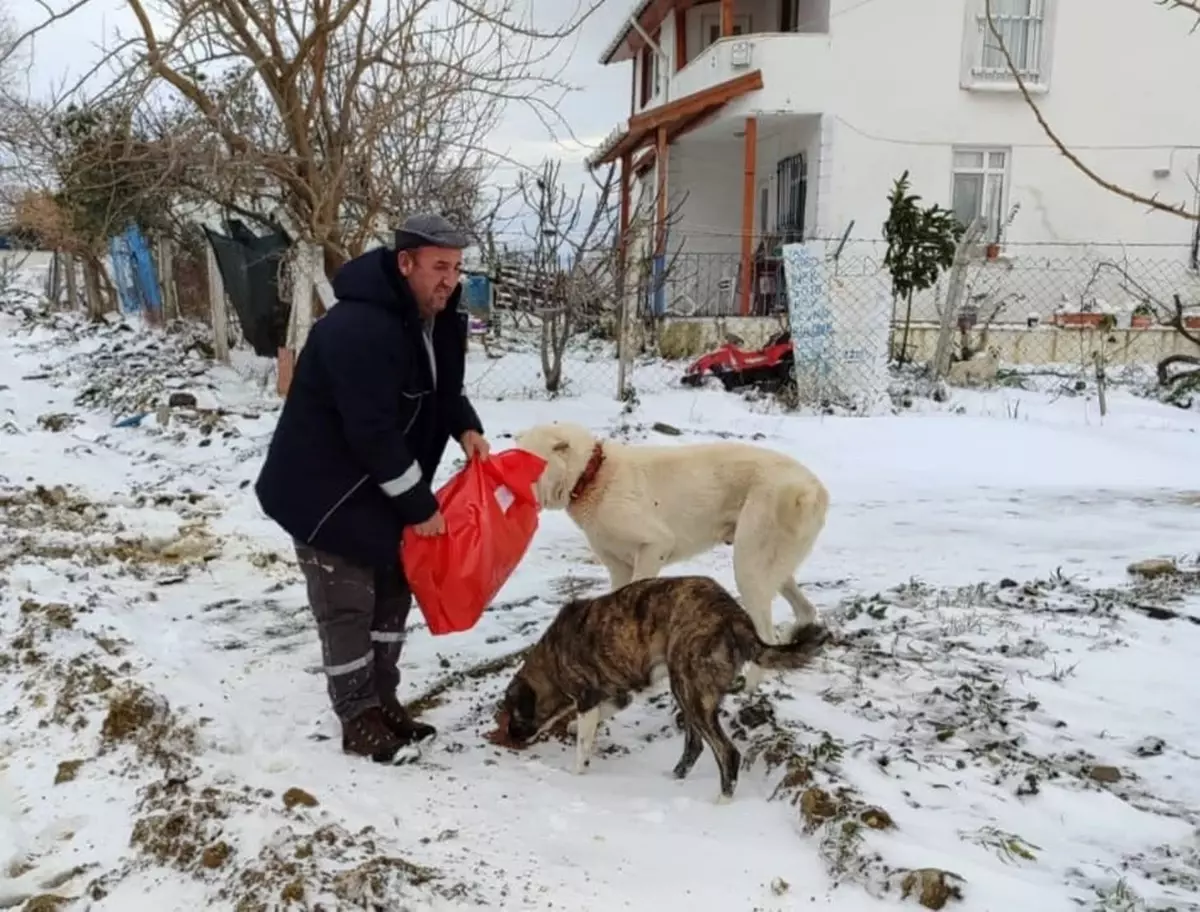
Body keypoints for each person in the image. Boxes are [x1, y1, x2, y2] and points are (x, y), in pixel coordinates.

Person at [254, 214, 491, 764]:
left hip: (378, 485)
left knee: (391, 593)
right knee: (347, 606)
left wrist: (466, 426)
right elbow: (372, 430)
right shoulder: (358, 329)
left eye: (455, 268)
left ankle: (383, 701)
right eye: (437, 267)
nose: (449, 280)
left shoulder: (435, 319)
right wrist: (419, 504)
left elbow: (442, 389)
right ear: (404, 263)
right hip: (325, 493)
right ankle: (357, 717)